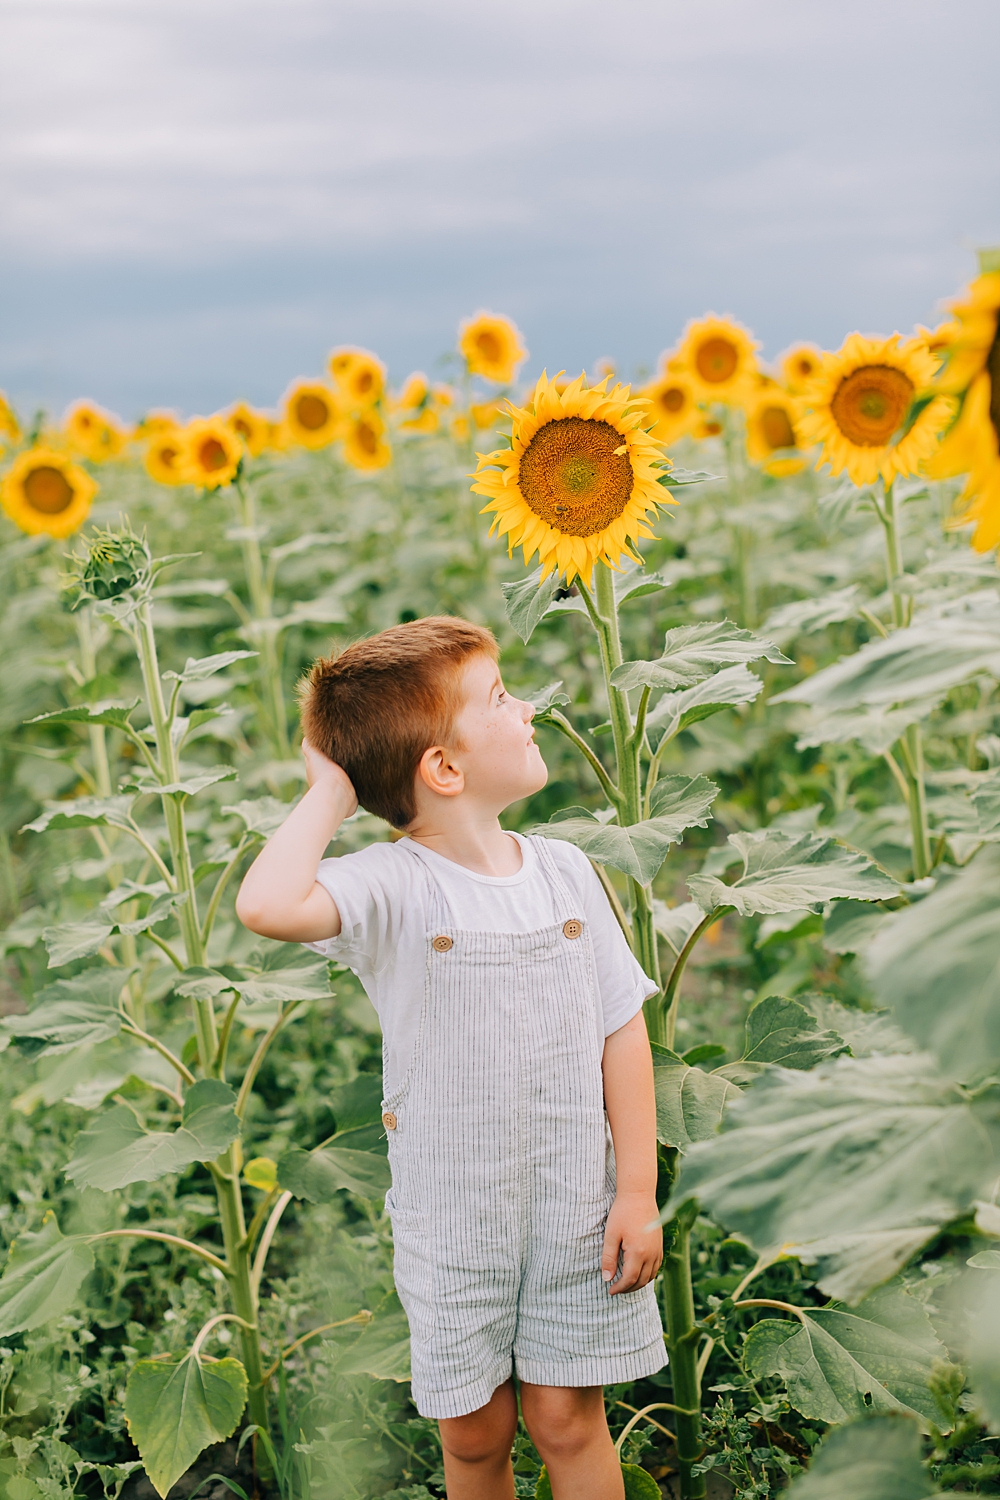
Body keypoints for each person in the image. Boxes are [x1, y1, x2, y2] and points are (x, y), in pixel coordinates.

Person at [236, 616, 665, 1500]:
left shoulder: (566, 870)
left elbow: (621, 1028)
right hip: (454, 1221)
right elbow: (269, 905)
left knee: (566, 1419)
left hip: (576, 1208)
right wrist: (330, 791)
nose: (527, 706)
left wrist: (636, 1191)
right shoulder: (392, 886)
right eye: (501, 699)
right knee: (475, 1436)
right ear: (444, 769)